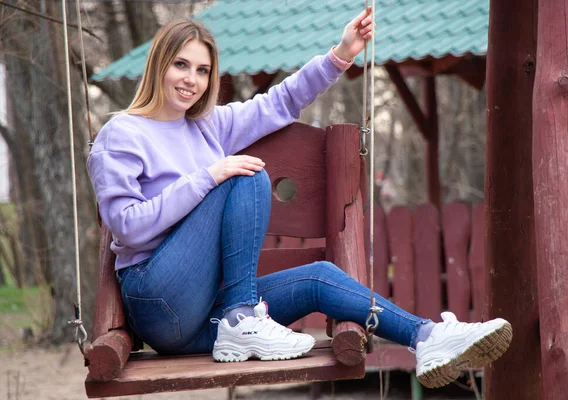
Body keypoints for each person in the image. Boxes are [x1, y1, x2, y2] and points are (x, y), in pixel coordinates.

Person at [87, 8, 512, 389]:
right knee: (246, 175)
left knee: (319, 277)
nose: (191, 79)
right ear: (159, 64)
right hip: (157, 300)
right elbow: (126, 224)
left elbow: (280, 102)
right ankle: (242, 315)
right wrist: (207, 176)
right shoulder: (123, 133)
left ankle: (428, 338)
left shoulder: (207, 127)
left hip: (201, 320)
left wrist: (341, 54)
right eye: (181, 64)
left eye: (202, 70)